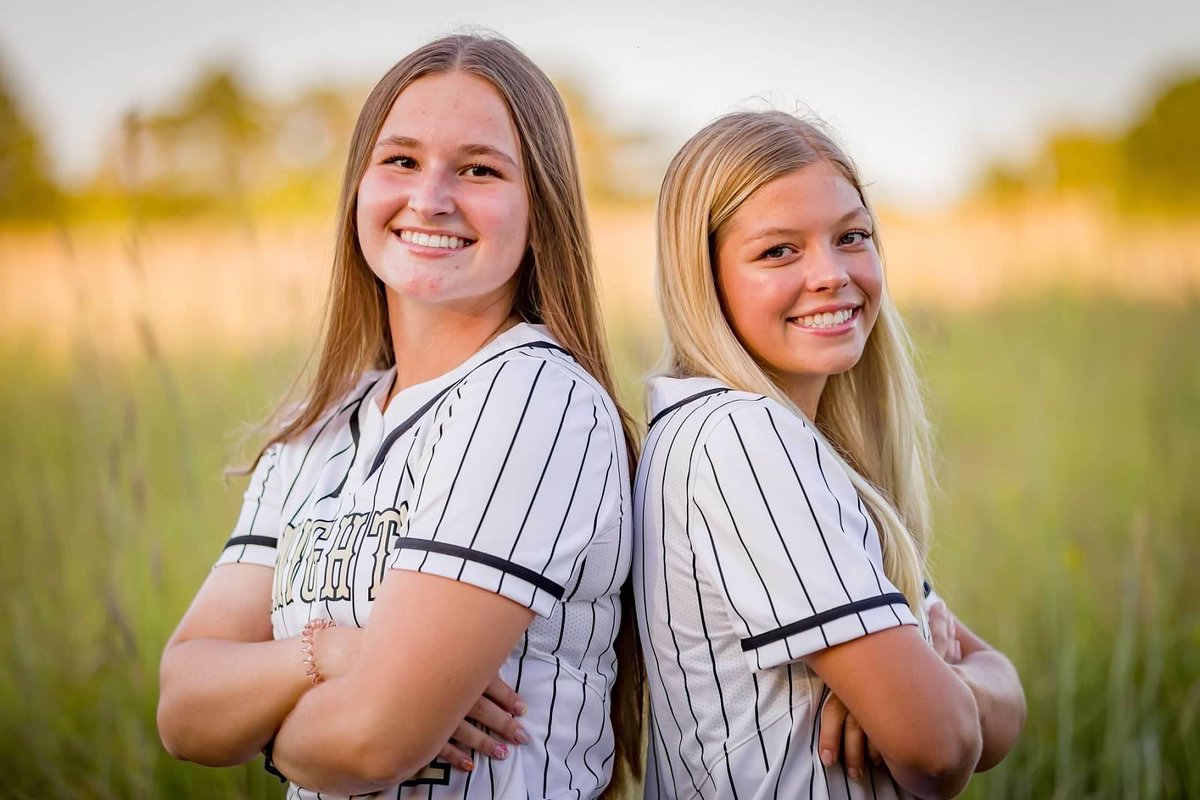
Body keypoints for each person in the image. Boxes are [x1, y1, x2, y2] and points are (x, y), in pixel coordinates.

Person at [157, 33, 643, 800]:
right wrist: (334, 657)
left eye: (479, 169)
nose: (430, 198)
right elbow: (183, 706)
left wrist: (273, 714)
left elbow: (372, 740)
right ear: (359, 186)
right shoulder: (320, 425)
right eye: (402, 161)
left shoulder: (536, 401)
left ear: (540, 207)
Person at [634, 110, 1025, 799]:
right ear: (704, 276)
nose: (833, 274)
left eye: (853, 237)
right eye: (779, 251)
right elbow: (941, 746)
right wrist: (933, 688)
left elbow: (1001, 697)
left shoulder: (757, 439)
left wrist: (938, 681)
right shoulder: (744, 440)